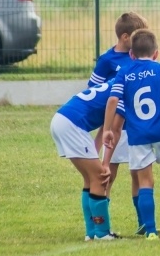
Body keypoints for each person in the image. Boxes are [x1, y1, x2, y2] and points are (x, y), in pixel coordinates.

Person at [102, 29, 160, 240]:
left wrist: (106, 129)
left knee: (145, 181)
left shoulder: (124, 72)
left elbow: (113, 100)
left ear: (131, 54)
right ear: (156, 53)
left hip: (138, 136)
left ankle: (150, 230)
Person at [89, 11, 148, 234]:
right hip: (114, 129)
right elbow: (93, 90)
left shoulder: (139, 56)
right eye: (137, 35)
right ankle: (102, 226)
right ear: (125, 37)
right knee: (108, 175)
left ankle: (143, 224)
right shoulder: (107, 61)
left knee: (138, 173)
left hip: (135, 126)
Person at [50, 80, 123, 241]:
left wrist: (96, 154)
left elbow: (105, 126)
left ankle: (91, 233)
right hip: (72, 124)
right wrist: (105, 164)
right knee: (100, 177)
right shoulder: (125, 91)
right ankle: (102, 233)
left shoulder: (116, 83)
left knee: (90, 179)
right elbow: (114, 130)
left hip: (61, 119)